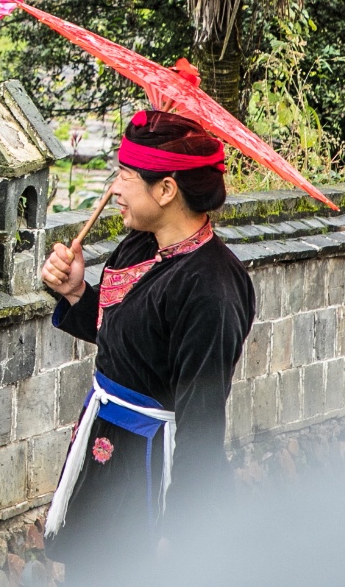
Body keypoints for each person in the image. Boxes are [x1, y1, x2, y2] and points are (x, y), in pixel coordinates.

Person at [39, 108, 256, 553]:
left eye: (124, 175)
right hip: (109, 443)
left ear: (166, 189)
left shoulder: (210, 288)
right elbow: (128, 340)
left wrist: (180, 530)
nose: (113, 188)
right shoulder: (142, 243)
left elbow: (202, 417)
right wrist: (78, 292)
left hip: (152, 467)